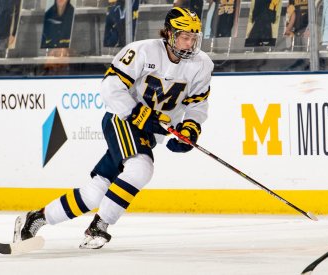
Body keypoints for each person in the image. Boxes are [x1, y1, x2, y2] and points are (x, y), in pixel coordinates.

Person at [13, 7, 213, 249]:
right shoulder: (142, 50)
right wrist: (136, 113)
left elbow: (197, 105)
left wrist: (190, 130)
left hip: (149, 132)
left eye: (194, 37)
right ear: (169, 33)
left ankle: (35, 218)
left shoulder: (202, 64)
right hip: (122, 119)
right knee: (140, 168)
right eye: (184, 36)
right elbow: (110, 86)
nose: (189, 43)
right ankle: (100, 225)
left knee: (96, 192)